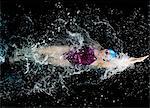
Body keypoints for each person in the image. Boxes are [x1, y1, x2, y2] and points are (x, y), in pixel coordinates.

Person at [35, 45, 149, 68]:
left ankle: (20, 58)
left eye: (107, 54)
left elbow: (123, 62)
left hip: (67, 61)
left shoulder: (101, 63)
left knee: (42, 60)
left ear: (105, 59)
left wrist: (138, 60)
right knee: (40, 50)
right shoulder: (97, 47)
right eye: (107, 50)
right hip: (67, 49)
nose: (105, 51)